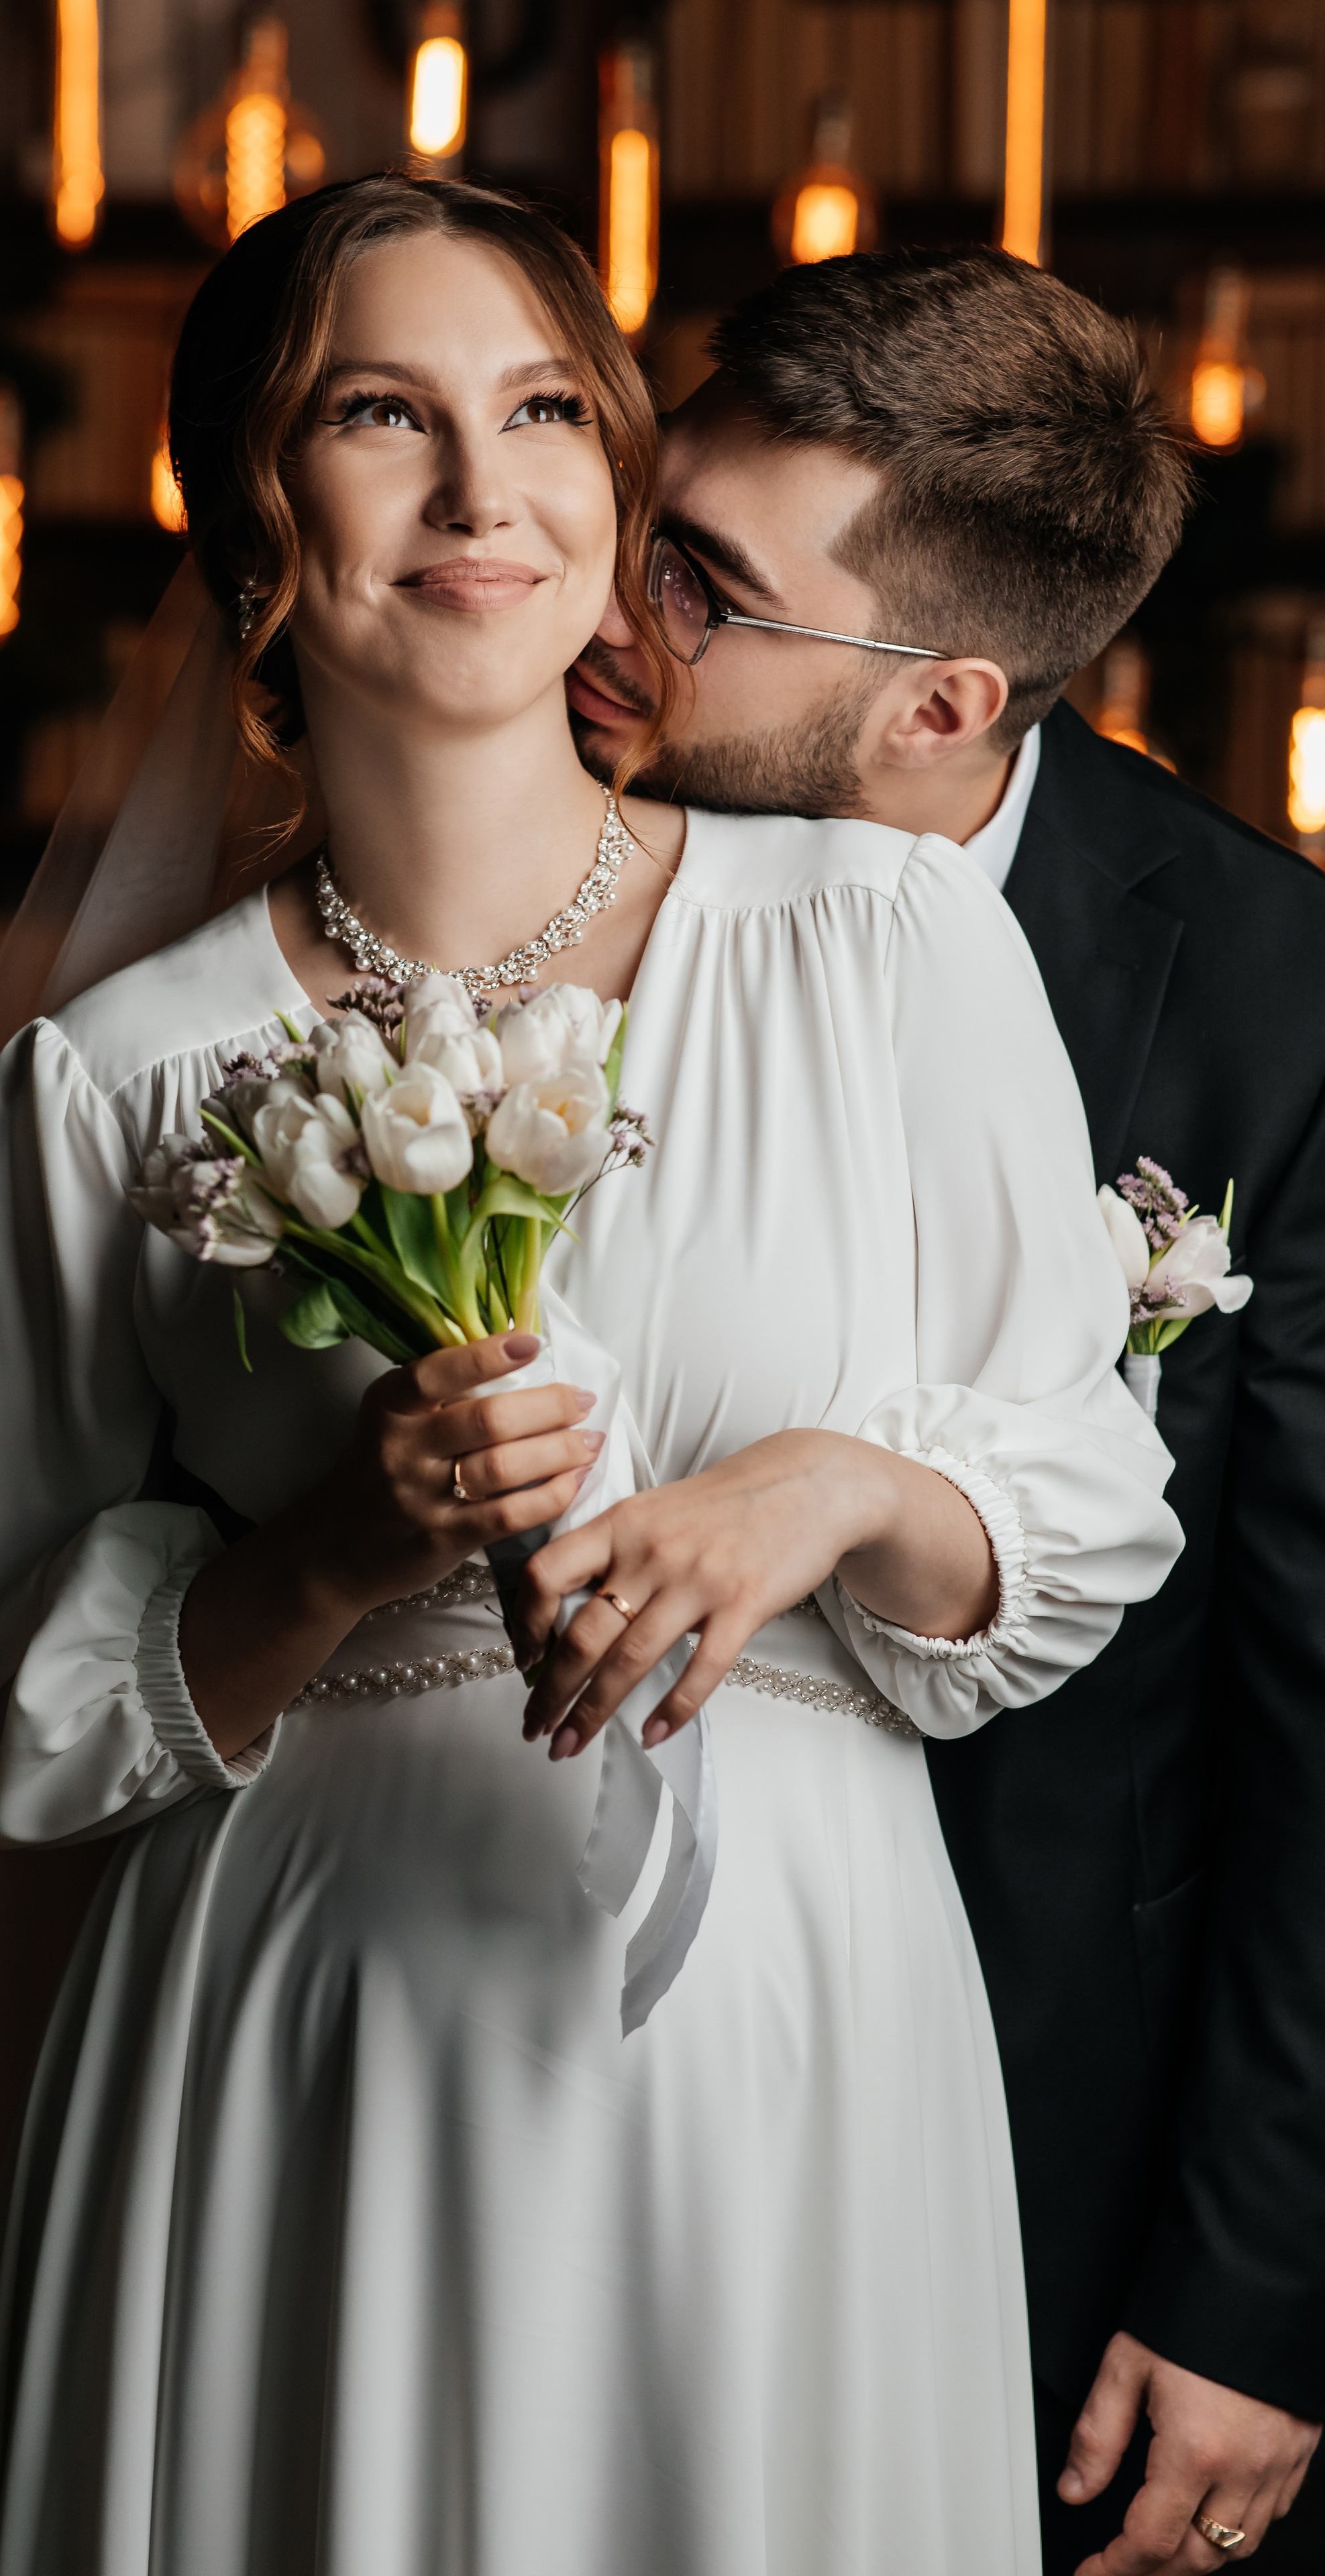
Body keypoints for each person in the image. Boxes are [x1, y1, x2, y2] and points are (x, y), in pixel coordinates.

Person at [0, 180, 1182, 2576]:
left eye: (548, 409)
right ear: (257, 515)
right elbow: (9, 1726)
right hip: (299, 2028)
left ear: (620, 485)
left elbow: (1089, 1501)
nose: (484, 490)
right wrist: (332, 1549)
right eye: (384, 413)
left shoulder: (879, 936)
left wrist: (824, 1488)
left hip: (790, 2021)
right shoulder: (118, 1075)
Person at [567, 244, 1325, 2576]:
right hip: (526, 2049)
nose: (607, 606)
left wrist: (1261, 2284)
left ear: (942, 703)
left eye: (701, 587)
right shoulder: (519, 855)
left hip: (1041, 2110)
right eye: (641, 520)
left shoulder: (1277, 1002)